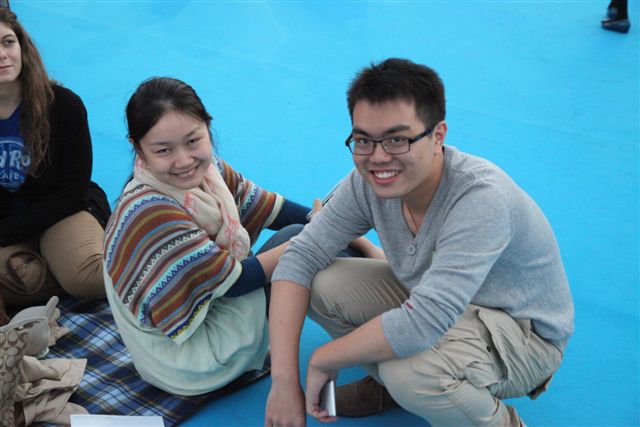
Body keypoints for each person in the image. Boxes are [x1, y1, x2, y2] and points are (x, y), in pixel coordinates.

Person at [265, 58, 574, 426]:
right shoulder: (367, 182)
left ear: (438, 136)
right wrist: (283, 383)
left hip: (522, 335)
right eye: (363, 140)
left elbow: (426, 320)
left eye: (397, 139)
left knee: (410, 373)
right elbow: (299, 258)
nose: (378, 158)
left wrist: (324, 357)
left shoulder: (481, 199)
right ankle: (392, 387)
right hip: (436, 300)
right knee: (320, 283)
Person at [103, 77, 381, 395]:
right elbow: (236, 281)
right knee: (305, 251)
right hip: (190, 361)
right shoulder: (151, 211)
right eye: (164, 150)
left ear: (208, 127)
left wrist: (356, 238)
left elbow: (274, 209)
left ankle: (390, 320)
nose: (184, 160)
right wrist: (323, 235)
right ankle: (386, 345)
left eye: (193, 141)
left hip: (204, 321)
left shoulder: (210, 172)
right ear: (137, 147)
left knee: (306, 238)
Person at [0, 8, 109, 321]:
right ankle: (48, 268)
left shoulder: (63, 106)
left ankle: (170, 269)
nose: (2, 54)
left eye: (8, 42)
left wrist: (7, 232)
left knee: (83, 278)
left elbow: (73, 193)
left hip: (63, 211)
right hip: (9, 220)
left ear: (22, 47)